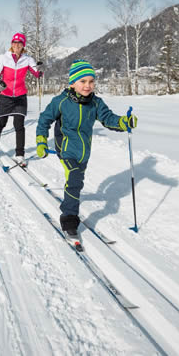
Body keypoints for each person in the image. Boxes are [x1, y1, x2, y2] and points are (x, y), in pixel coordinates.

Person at [35, 60, 137, 240]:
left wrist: (123, 122)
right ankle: (69, 219)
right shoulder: (61, 102)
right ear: (72, 83)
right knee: (74, 179)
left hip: (84, 151)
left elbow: (108, 118)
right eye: (83, 81)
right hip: (66, 147)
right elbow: (44, 120)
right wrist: (42, 141)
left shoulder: (96, 103)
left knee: (76, 182)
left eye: (91, 81)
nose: (87, 85)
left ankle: (70, 198)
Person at [0, 33, 42, 166]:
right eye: (14, 43)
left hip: (20, 96)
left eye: (19, 43)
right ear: (11, 44)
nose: (17, 45)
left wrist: (39, 70)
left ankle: (20, 155)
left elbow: (36, 73)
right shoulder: (3, 58)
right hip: (5, 95)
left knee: (19, 126)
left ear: (23, 45)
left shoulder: (28, 59)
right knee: (1, 123)